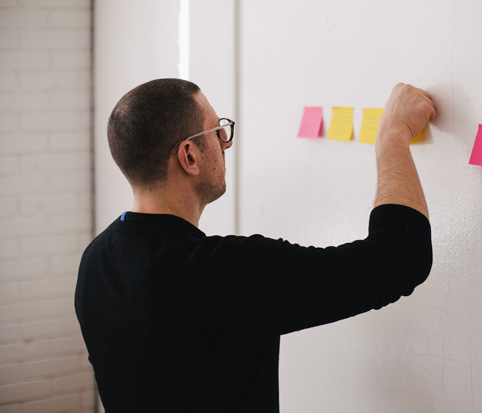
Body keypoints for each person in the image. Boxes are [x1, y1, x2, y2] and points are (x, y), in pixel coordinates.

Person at [75, 78, 436, 412]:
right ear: (189, 156)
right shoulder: (224, 273)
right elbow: (399, 257)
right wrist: (393, 134)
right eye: (218, 133)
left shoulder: (96, 262)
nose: (225, 143)